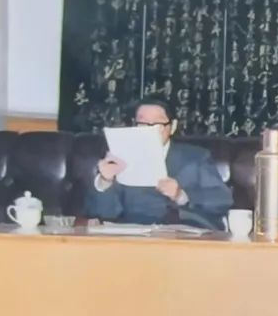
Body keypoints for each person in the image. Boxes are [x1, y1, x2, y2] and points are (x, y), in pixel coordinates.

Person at [86, 97, 233, 228]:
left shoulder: (196, 157)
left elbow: (222, 200)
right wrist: (105, 181)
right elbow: (103, 213)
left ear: (172, 126)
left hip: (184, 235)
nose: (149, 130)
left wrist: (181, 195)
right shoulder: (121, 158)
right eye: (142, 123)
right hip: (136, 238)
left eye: (157, 124)